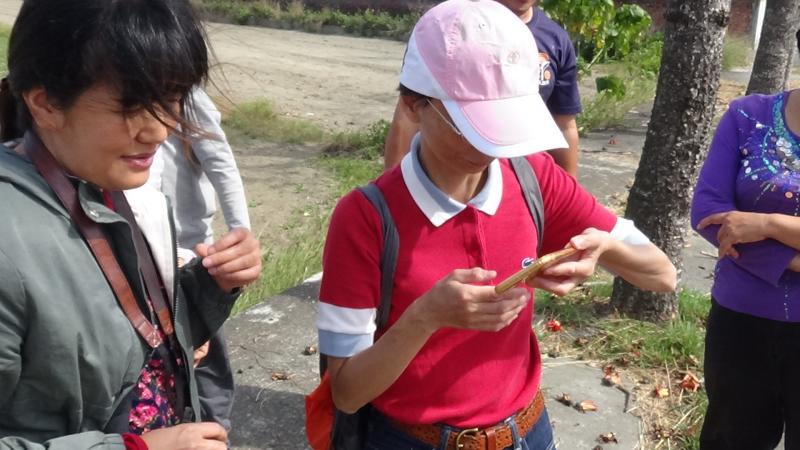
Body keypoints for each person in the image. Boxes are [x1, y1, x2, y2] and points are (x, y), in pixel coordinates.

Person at [316, 1, 676, 449]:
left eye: (502, 122)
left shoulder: (532, 177)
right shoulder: (366, 216)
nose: (491, 144)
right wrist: (425, 318)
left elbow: (662, 274)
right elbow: (347, 392)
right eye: (470, 125)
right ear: (413, 105)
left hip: (528, 432)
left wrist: (604, 249)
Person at [0, 0, 261, 448]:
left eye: (172, 97)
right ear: (45, 104)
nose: (159, 130)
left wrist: (212, 285)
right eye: (131, 103)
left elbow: (129, 343)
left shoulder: (108, 184)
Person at [691, 30, 800, 450]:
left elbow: (746, 225)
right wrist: (789, 260)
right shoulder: (746, 115)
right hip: (742, 325)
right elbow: (707, 210)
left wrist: (769, 224)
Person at [147, 86, 250, 431]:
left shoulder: (184, 93)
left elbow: (221, 162)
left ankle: (215, 430)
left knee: (207, 356)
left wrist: (240, 234)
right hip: (146, 253)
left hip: (191, 253)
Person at [382, 0, 582, 177]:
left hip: (522, 179)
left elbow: (564, 124)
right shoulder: (446, 31)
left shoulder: (556, 39)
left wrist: (568, 188)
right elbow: (408, 113)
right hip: (448, 174)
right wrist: (394, 189)